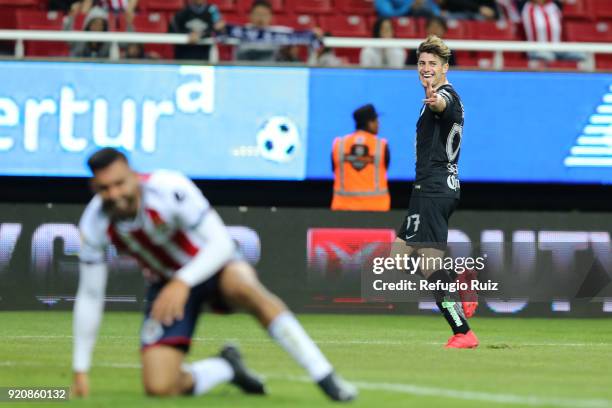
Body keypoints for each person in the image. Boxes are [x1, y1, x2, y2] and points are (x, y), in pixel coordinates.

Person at [72, 148, 357, 401]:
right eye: (104, 188)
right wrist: (80, 368)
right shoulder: (95, 223)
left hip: (213, 266)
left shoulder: (169, 188)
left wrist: (183, 280)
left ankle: (325, 376)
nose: (114, 194)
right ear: (93, 187)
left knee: (244, 285)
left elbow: (222, 244)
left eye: (120, 183)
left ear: (134, 175)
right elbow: (90, 295)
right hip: (166, 286)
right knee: (160, 386)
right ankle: (226, 367)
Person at [392, 35, 479, 348]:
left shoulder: (445, 96)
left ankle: (462, 331)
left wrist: (436, 98)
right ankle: (459, 281)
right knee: (399, 257)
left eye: (433, 64)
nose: (426, 68)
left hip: (434, 187)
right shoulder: (440, 96)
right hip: (430, 187)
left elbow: (443, 106)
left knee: (428, 264)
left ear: (445, 68)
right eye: (422, 63)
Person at [331, 104, 391, 212]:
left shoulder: (339, 144)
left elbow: (334, 170)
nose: (378, 124)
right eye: (376, 120)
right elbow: (385, 168)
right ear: (369, 123)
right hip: (377, 210)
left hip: (343, 209)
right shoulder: (381, 145)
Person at [375, 0, 441, 18]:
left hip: (422, 29)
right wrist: (409, 7)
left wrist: (424, 5)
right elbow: (388, 14)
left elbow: (436, 11)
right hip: (393, 29)